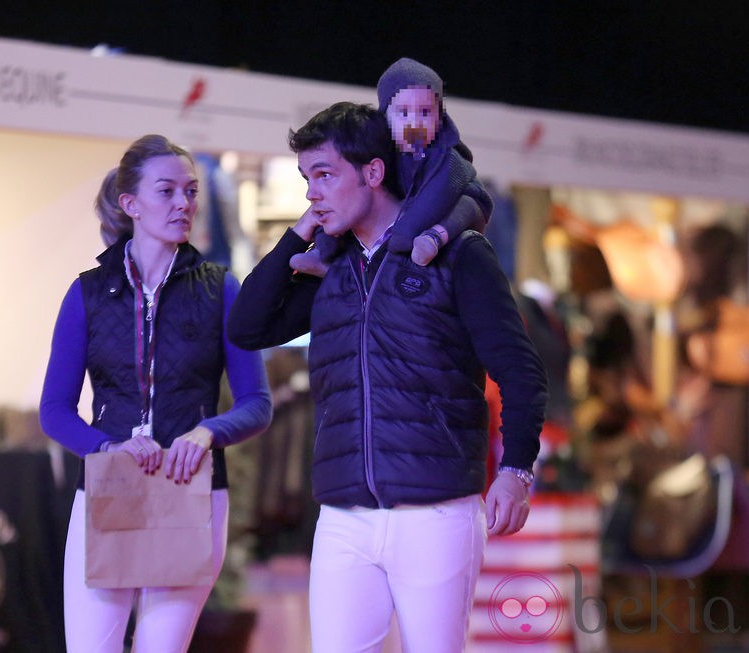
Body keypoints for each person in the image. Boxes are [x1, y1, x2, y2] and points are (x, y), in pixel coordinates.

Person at [227, 103, 547, 652]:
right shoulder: (331, 266)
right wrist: (297, 235)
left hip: (437, 512)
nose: (312, 192)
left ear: (373, 172)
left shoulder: (457, 254)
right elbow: (247, 325)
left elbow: (519, 370)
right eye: (307, 178)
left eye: (324, 175)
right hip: (343, 516)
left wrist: (516, 468)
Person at [39, 134, 272, 653]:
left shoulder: (220, 289)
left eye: (190, 192)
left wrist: (209, 431)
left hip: (191, 491)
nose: (184, 204)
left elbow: (257, 403)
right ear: (131, 204)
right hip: (107, 488)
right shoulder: (88, 293)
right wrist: (106, 446)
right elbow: (54, 410)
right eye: (166, 192)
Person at [290, 57, 492, 276]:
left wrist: (404, 235)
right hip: (403, 226)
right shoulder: (383, 154)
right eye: (403, 113)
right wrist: (324, 240)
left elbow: (437, 196)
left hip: (455, 203)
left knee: (464, 208)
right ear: (385, 117)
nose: (414, 122)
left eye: (425, 112)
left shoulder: (447, 157)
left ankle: (433, 238)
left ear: (440, 119)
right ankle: (324, 254)